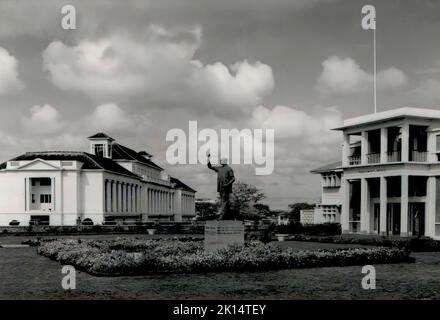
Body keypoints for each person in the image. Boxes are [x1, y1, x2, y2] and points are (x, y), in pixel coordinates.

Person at [207, 154, 236, 220]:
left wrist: (227, 184)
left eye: (221, 160)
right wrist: (208, 159)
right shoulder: (219, 168)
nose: (220, 161)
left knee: (224, 201)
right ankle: (229, 216)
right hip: (221, 188)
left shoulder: (229, 169)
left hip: (226, 188)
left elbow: (233, 179)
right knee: (225, 201)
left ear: (224, 161)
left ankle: (220, 215)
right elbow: (210, 166)